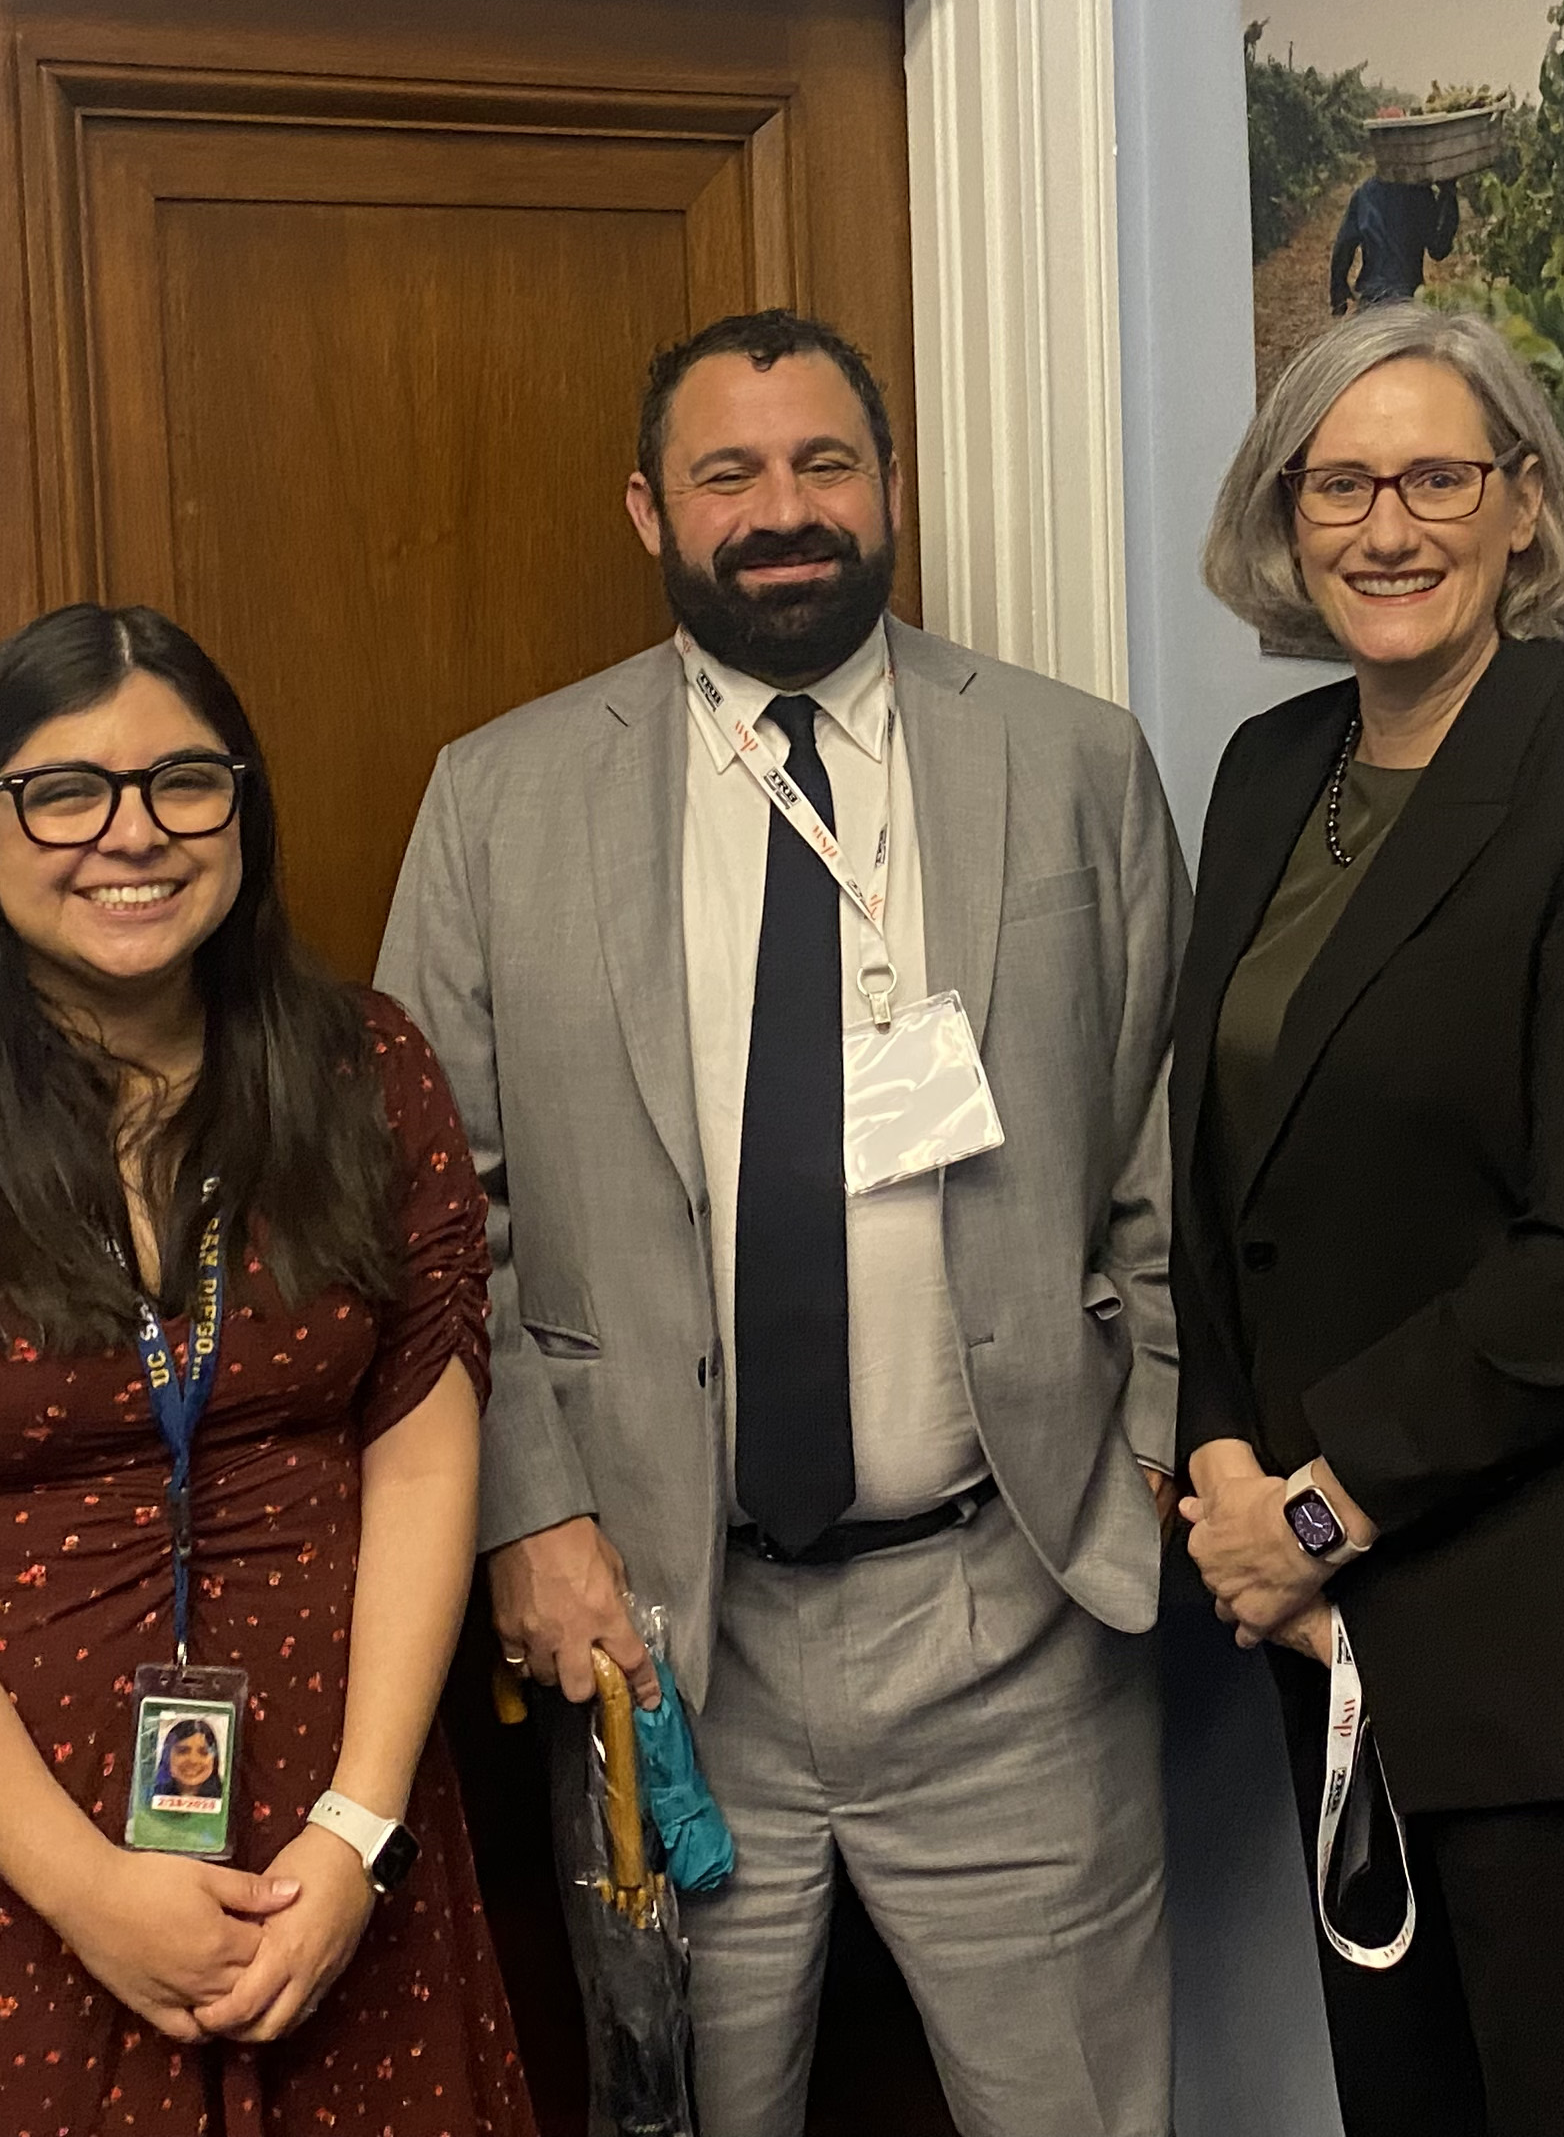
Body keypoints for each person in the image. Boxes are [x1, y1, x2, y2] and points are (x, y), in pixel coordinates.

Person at [378, 307, 1190, 2137]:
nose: (782, 507)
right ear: (645, 509)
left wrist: (1139, 1435)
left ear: (886, 487)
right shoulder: (499, 798)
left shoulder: (1070, 761)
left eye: (824, 461)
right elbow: (436, 1219)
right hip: (659, 1638)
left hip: (1014, 1617)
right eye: (726, 471)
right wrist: (530, 1509)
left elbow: (1165, 1134)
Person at [0, 603, 532, 2136]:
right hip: (6, 1880)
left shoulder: (367, 1072)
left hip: (331, 1855)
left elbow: (425, 1451)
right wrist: (87, 1890)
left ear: (241, 808)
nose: (131, 835)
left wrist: (359, 1832)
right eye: (63, 790)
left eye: (184, 781)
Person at [1172, 303, 1564, 2137]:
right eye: (1340, 480)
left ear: (1524, 505)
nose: (1388, 523)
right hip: (1344, 1647)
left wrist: (1307, 1507)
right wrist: (1217, 1451)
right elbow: (1219, 1174)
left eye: (1438, 474)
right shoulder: (1266, 776)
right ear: (1283, 516)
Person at [1326, 169, 1459, 313]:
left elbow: (1345, 244)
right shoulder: (1420, 195)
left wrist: (1338, 289)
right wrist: (1448, 195)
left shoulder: (1366, 193)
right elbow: (1439, 250)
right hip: (1406, 298)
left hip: (1373, 297)